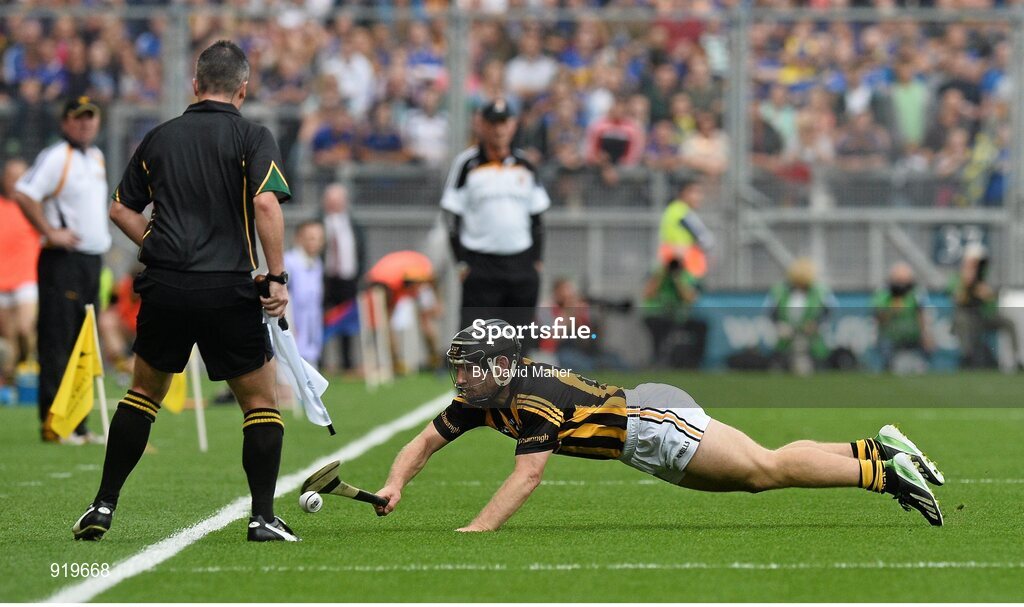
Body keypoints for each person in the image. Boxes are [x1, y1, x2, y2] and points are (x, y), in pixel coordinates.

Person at [373, 319, 946, 531]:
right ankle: (875, 448)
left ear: (501, 365)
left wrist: (478, 531)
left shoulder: (534, 396)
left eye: (470, 366)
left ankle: (886, 474)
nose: (462, 376)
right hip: (641, 435)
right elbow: (424, 442)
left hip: (652, 424)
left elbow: (526, 478)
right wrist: (398, 482)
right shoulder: (482, 398)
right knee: (760, 468)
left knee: (764, 471)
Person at [72, 41, 298, 543]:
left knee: (143, 395)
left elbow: (119, 211)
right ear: (243, 87)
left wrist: (159, 241)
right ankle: (262, 518)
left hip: (167, 287)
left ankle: (103, 505)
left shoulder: (159, 137)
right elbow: (265, 203)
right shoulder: (252, 135)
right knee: (260, 403)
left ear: (195, 85)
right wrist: (277, 276)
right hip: (227, 288)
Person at [13, 96, 111, 444]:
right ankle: (55, 422)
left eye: (90, 118)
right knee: (59, 339)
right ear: (66, 122)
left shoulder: (95, 157)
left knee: (84, 341)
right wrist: (49, 232)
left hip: (90, 261)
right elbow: (24, 193)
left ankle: (79, 423)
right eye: (78, 118)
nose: (85, 123)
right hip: (64, 261)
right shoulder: (57, 157)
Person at [442, 98, 551, 332]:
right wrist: (461, 262)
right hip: (482, 263)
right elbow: (452, 216)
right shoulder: (467, 164)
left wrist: (536, 260)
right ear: (482, 126)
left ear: (512, 125)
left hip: (520, 262)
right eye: (493, 123)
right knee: (478, 342)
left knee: (518, 341)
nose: (499, 130)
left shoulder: (525, 165)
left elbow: (537, 218)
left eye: (503, 123)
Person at [949, 243, 1022, 370]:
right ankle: (967, 358)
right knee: (963, 322)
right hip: (967, 318)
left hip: (983, 317)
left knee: (1009, 323)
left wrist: (988, 294)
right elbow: (958, 298)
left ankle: (1016, 360)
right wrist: (967, 284)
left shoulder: (986, 277)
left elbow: (992, 301)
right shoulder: (957, 277)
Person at [765, 258, 837, 375]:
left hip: (811, 336)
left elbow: (828, 310)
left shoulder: (820, 291)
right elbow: (771, 310)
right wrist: (779, 325)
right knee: (781, 357)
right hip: (787, 334)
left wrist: (816, 324)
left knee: (815, 358)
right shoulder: (779, 290)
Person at [0, 158, 38, 384]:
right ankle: (13, 379)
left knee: (25, 328)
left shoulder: (34, 206)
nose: (15, 182)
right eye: (11, 176)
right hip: (2, 280)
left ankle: (29, 362)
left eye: (20, 177)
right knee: (8, 335)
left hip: (27, 278)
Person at [321, 183, 365, 371]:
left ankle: (347, 363)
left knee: (347, 321)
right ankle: (319, 362)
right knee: (322, 320)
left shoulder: (353, 224)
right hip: (326, 279)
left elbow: (360, 251)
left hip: (348, 280)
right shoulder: (319, 222)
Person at [641, 257, 706, 368]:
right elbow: (648, 293)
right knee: (658, 326)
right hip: (658, 315)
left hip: (679, 317)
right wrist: (661, 277)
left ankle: (695, 361)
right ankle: (657, 360)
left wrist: (677, 280)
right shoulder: (659, 275)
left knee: (701, 326)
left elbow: (689, 298)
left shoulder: (684, 276)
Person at [872, 262, 934, 374]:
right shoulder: (883, 293)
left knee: (928, 345)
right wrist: (892, 310)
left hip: (912, 335)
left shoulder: (916, 293)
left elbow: (922, 314)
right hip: (890, 336)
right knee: (885, 347)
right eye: (899, 281)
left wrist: (926, 335)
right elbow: (878, 318)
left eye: (905, 281)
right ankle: (888, 368)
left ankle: (922, 367)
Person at [284, 221, 325, 368]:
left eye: (319, 238)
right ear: (299, 238)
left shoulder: (317, 263)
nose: (316, 242)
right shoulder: (289, 261)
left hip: (311, 326)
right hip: (293, 324)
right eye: (311, 237)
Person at [657, 179, 714, 280]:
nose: (699, 197)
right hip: (687, 269)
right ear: (684, 193)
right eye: (695, 192)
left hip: (673, 267)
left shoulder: (671, 210)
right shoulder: (683, 213)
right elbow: (706, 240)